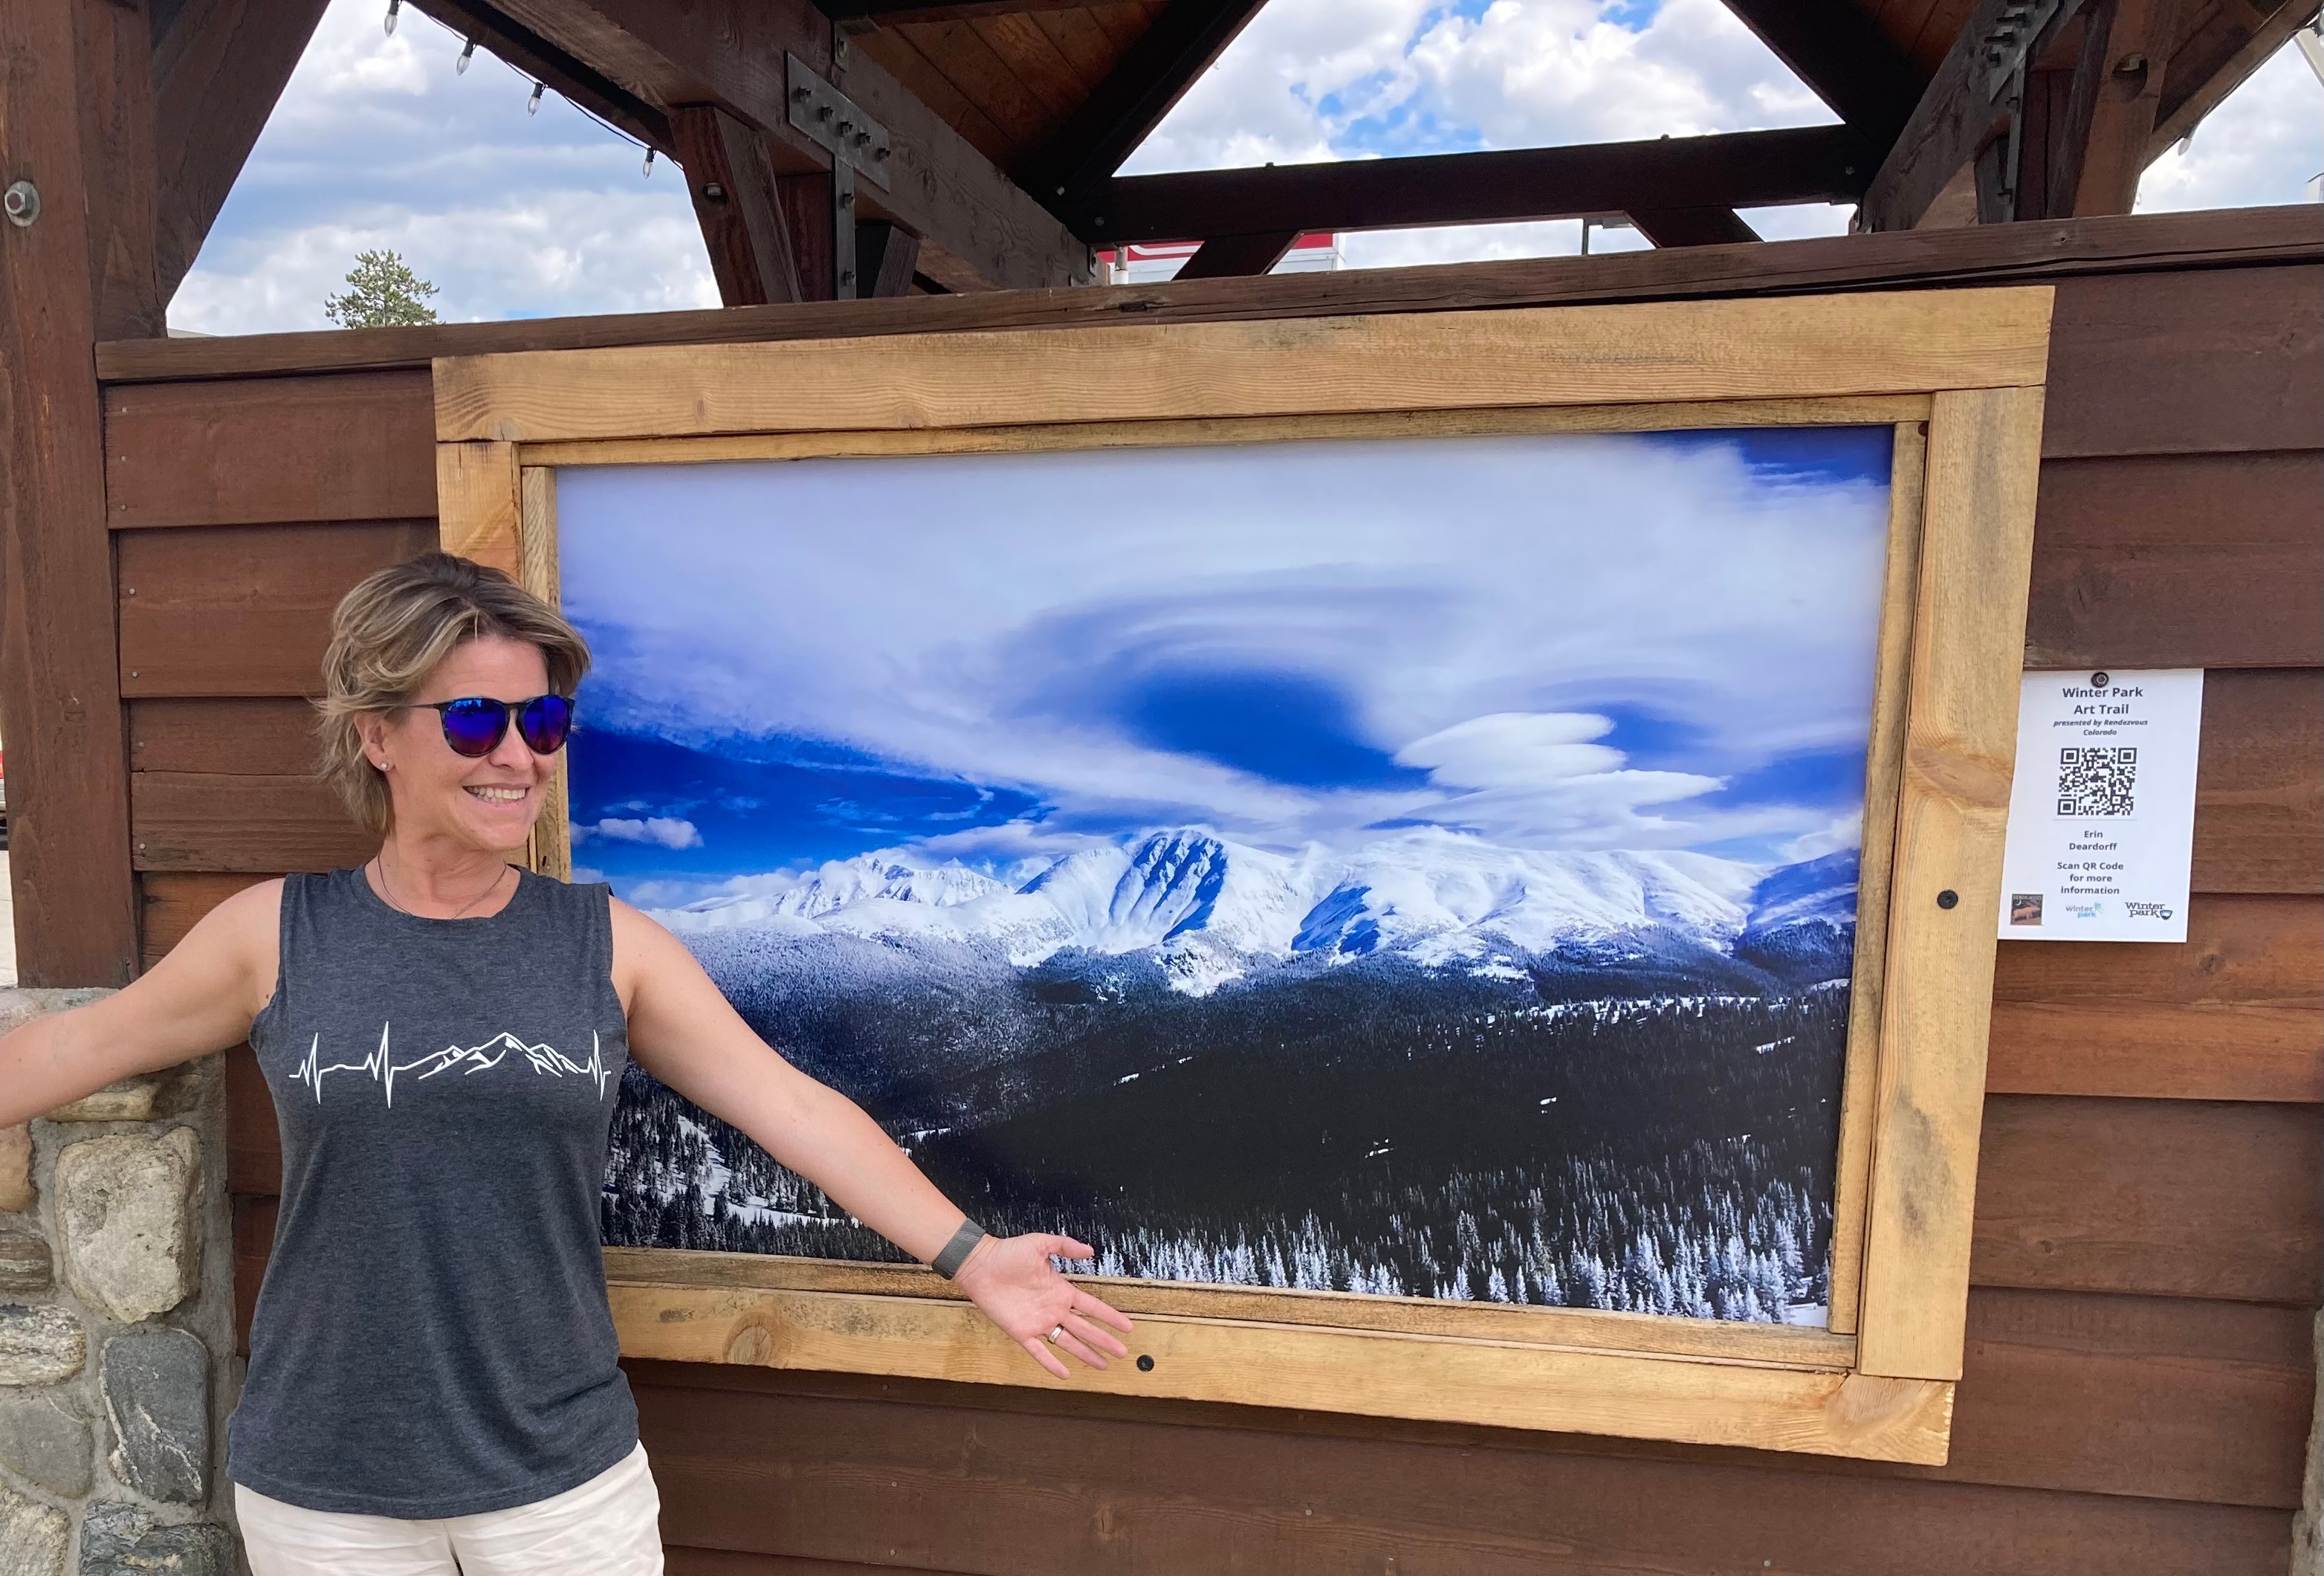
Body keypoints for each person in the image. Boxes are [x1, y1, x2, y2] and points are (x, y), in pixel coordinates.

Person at [0, 552, 1133, 1575]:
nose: (518, 755)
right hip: (325, 1481)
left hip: (560, 1484)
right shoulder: (277, 937)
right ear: (376, 734)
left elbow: (788, 1104)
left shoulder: (609, 947)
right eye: (474, 720)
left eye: (543, 721)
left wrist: (971, 1256)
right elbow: (80, 1044)